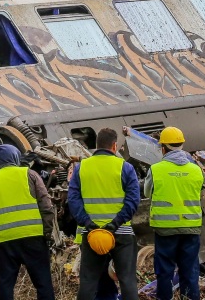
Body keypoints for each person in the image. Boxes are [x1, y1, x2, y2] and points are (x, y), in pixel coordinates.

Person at [68, 128, 141, 300]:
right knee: (127, 281)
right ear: (114, 146)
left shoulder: (81, 168)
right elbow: (133, 200)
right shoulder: (125, 167)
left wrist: (87, 222)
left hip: (92, 233)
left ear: (96, 145)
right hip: (121, 233)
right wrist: (116, 223)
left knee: (88, 282)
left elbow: (73, 199)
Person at [0, 144, 55, 300]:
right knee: (43, 284)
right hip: (33, 238)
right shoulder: (30, 175)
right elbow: (46, 207)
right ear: (16, 157)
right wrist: (47, 234)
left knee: (6, 285)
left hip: (6, 241)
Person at [143, 127, 203, 300]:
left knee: (164, 272)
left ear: (163, 148)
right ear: (182, 145)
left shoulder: (156, 169)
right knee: (190, 272)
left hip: (165, 229)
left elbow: (147, 193)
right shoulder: (196, 170)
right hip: (190, 228)